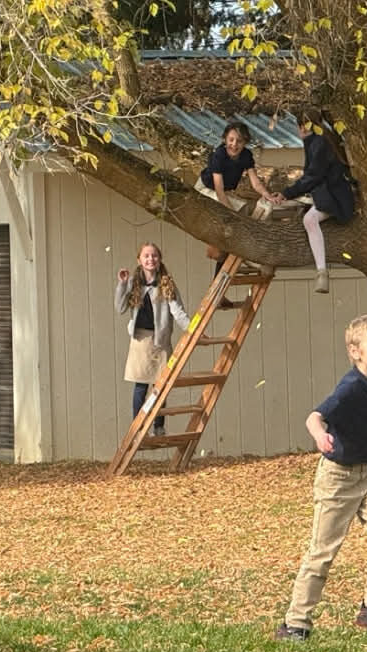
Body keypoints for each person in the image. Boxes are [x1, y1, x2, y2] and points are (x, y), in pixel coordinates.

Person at [275, 315, 367, 641]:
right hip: (338, 480)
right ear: (355, 351)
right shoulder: (350, 387)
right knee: (322, 553)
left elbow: (366, 422)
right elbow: (315, 417)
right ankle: (295, 624)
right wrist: (320, 435)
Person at [274, 108, 356, 294]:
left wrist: (287, 193)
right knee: (308, 216)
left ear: (304, 127)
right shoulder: (320, 140)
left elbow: (313, 176)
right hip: (332, 192)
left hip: (335, 197)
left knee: (309, 220)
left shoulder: (319, 143)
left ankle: (322, 272)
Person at [115, 242, 191, 436]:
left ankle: (158, 425)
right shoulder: (134, 283)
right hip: (141, 340)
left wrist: (191, 329)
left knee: (161, 385)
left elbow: (177, 310)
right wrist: (122, 284)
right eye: (146, 256)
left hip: (160, 340)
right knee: (141, 385)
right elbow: (120, 307)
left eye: (154, 255)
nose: (151, 259)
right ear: (139, 260)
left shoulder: (166, 283)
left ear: (160, 259)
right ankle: (137, 426)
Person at [195, 121, 282, 276]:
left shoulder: (246, 155)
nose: (234, 145)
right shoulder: (219, 155)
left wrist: (267, 195)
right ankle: (235, 253)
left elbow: (255, 182)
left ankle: (235, 256)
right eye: (231, 140)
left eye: (239, 141)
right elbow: (219, 190)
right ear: (225, 139)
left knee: (242, 212)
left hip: (225, 191)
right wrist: (231, 213)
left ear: (245, 142)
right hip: (206, 189)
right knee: (231, 215)